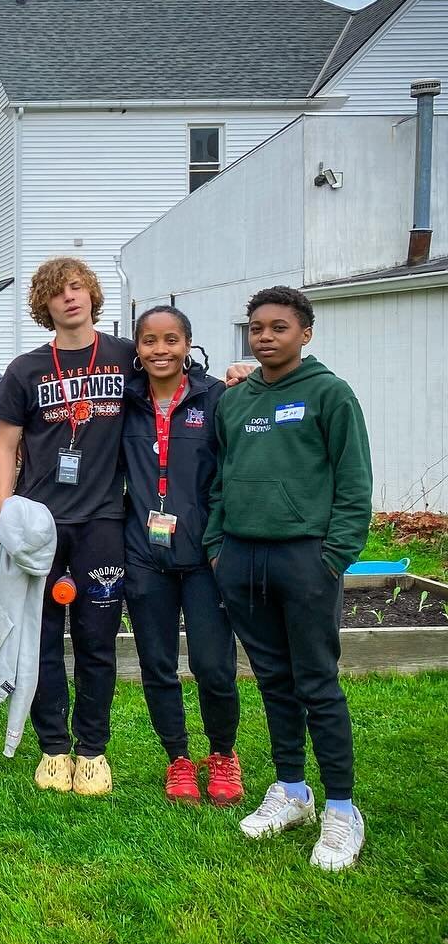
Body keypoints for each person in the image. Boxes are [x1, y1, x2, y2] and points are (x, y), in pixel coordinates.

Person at [205, 286, 372, 871]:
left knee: (316, 683)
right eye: (256, 328)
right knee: (273, 680)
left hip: (307, 561)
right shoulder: (235, 401)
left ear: (306, 333)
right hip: (242, 559)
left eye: (279, 327)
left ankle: (342, 809)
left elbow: (354, 483)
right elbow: (222, 478)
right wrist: (217, 546)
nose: (266, 336)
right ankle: (292, 792)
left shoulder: (330, 394)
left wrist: (335, 556)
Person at [0, 258, 134, 797]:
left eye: (77, 288)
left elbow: (175, 388)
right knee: (43, 638)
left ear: (92, 295)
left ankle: (92, 751)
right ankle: (53, 749)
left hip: (102, 521)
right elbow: (4, 446)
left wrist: (233, 379)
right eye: (57, 292)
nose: (69, 298)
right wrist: (5, 513)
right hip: (40, 525)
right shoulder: (26, 370)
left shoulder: (124, 357)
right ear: (44, 306)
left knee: (97, 640)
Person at [122, 307, 242, 806]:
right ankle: (177, 758)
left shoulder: (217, 397)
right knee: (157, 663)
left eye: (171, 339)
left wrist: (246, 374)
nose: (160, 350)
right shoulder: (125, 400)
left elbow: (233, 469)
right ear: (138, 348)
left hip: (203, 557)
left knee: (214, 666)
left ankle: (222, 755)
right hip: (144, 555)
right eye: (149, 340)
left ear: (189, 343)